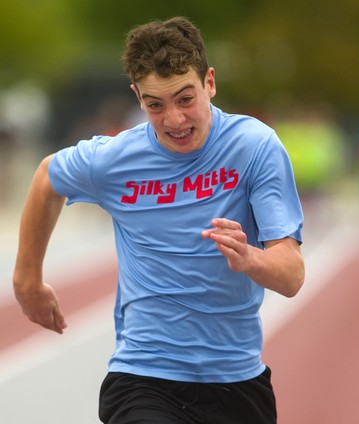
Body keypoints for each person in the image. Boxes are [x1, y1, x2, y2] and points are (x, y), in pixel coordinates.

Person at [13, 16, 305, 424]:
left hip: (237, 381)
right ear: (137, 97)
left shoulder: (254, 147)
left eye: (185, 99)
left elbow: (291, 276)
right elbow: (48, 177)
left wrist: (249, 259)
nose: (173, 120)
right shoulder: (115, 159)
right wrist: (27, 280)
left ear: (210, 84)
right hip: (144, 377)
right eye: (155, 105)